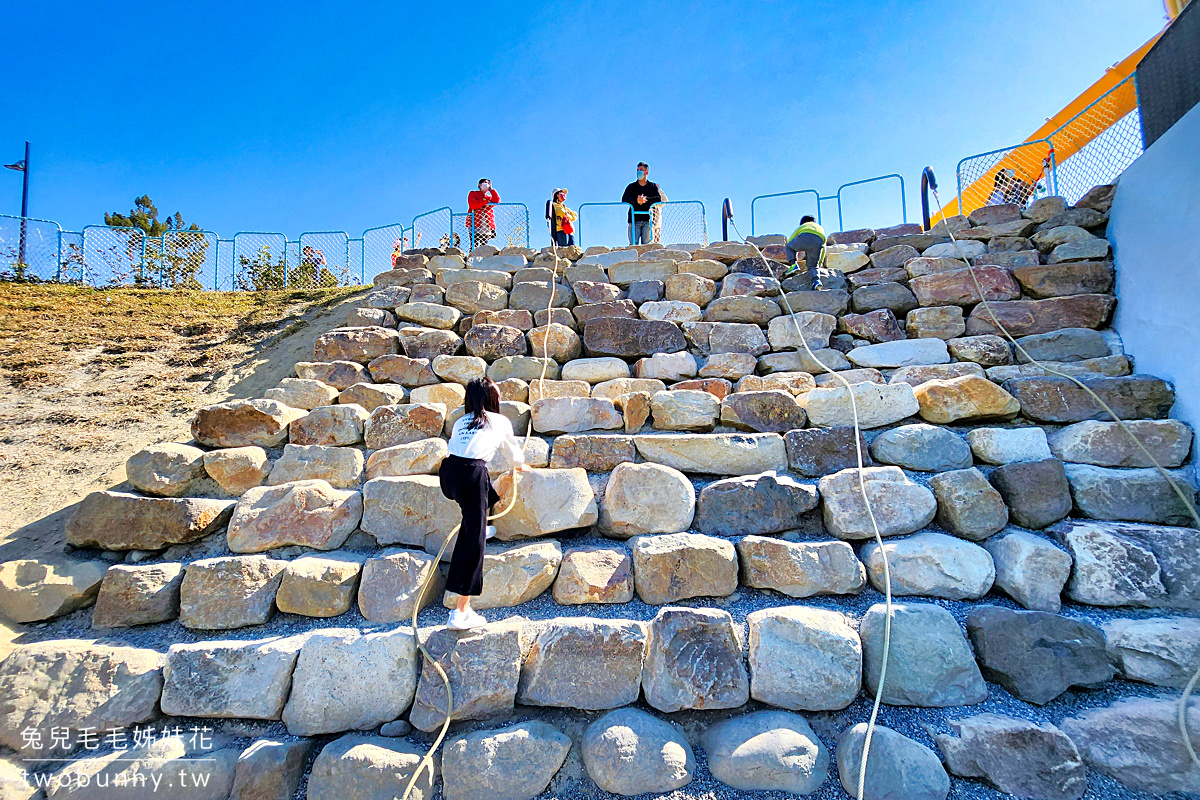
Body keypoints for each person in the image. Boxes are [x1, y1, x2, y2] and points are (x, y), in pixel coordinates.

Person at [438, 377, 532, 630]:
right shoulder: (499, 421)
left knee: (483, 495)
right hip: (471, 476)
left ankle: (483, 524)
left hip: (448, 474)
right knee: (472, 542)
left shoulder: (461, 421)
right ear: (492, 398)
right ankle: (461, 612)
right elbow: (512, 454)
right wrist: (521, 465)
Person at [621, 162, 662, 245]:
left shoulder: (652, 186)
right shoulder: (631, 187)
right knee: (633, 245)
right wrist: (637, 200)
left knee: (647, 247)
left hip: (648, 220)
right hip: (634, 220)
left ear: (646, 172)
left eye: (641, 170)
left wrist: (645, 199)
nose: (639, 172)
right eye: (638, 170)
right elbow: (624, 199)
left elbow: (658, 198)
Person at [783, 215, 827, 290]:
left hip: (804, 237)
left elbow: (790, 240)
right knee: (813, 266)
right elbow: (824, 248)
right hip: (818, 241)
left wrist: (791, 251)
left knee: (789, 247)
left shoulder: (803, 226)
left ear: (802, 223)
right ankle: (816, 281)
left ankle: (794, 265)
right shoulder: (820, 228)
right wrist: (819, 263)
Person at [468, 178, 501, 250]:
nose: (487, 184)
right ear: (480, 185)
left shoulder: (489, 197)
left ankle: (483, 258)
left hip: (486, 224)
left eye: (489, 183)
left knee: (484, 244)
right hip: (475, 222)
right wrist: (485, 201)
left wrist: (492, 190)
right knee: (474, 243)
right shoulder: (473, 193)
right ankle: (472, 257)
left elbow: (497, 201)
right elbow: (473, 204)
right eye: (485, 183)